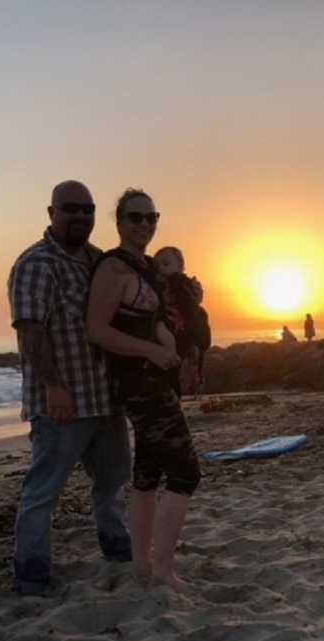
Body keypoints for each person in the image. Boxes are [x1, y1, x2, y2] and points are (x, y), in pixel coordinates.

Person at [6, 180, 132, 595]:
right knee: (44, 491)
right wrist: (53, 387)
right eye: (70, 209)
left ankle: (117, 549)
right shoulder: (37, 264)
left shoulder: (98, 261)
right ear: (51, 213)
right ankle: (32, 573)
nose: (80, 216)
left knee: (113, 481)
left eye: (88, 209)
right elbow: (30, 331)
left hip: (106, 398)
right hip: (63, 402)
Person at [87, 188, 201, 592]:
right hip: (137, 383)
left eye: (152, 217)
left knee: (148, 472)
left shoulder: (146, 267)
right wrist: (152, 351)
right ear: (118, 222)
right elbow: (97, 330)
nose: (145, 225)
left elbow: (164, 315)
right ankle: (163, 568)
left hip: (157, 379)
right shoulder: (113, 269)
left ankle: (141, 566)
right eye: (135, 218)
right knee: (186, 471)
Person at [153, 246, 211, 397]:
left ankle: (193, 376)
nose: (160, 268)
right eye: (156, 265)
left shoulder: (179, 281)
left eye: (166, 264)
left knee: (185, 358)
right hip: (176, 329)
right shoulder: (157, 284)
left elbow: (190, 305)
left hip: (184, 328)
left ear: (180, 267)